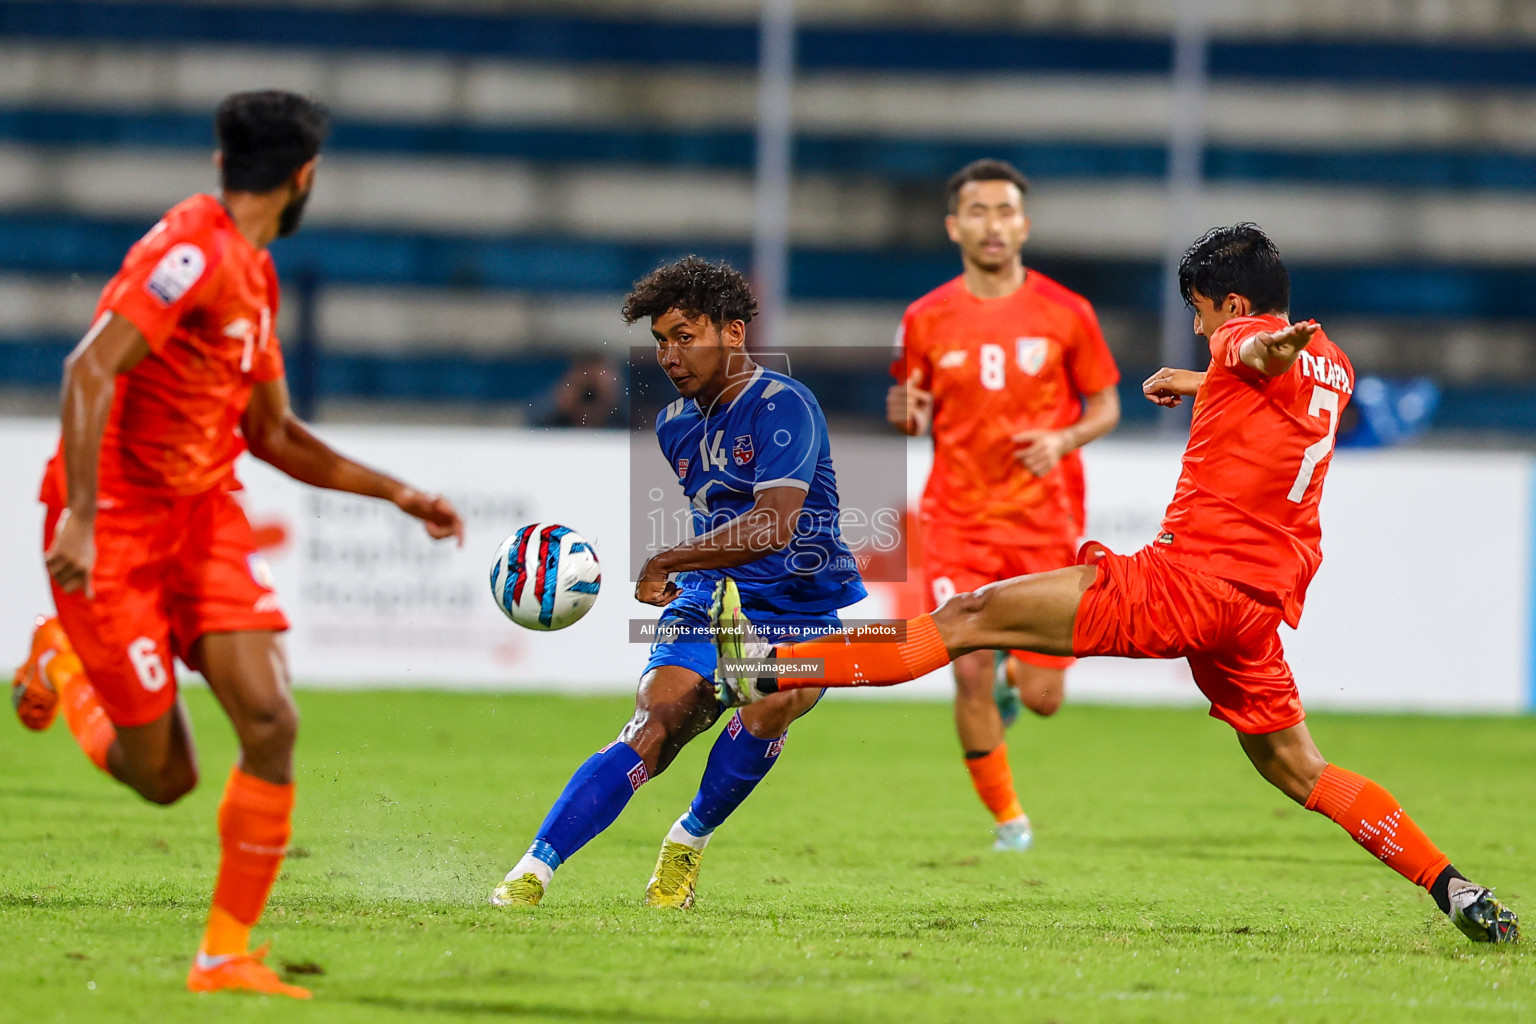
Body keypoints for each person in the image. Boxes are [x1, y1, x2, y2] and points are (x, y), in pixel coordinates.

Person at [714, 224, 1518, 944]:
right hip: (1255, 610)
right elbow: (1282, 385)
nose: (1201, 330)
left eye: (1201, 313)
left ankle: (766, 666)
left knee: (968, 616)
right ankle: (1454, 888)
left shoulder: (1249, 343)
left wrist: (1236, 356)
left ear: (1232, 304)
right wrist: (1203, 381)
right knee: (1301, 769)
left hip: (1185, 583)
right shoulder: (1333, 365)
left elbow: (1255, 352)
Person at [10, 91, 467, 998]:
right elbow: (88, 367)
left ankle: (222, 956)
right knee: (165, 778)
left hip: (203, 518)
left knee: (270, 720)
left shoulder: (255, 274)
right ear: (305, 178)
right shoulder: (189, 253)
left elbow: (274, 435)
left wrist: (398, 493)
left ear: (228, 164)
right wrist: (83, 517)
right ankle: (63, 667)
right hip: (116, 537)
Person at [491, 256, 865, 910]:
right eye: (660, 340)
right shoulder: (675, 426)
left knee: (771, 703)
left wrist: (668, 560)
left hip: (800, 610)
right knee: (652, 728)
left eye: (684, 336)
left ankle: (687, 841)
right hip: (710, 603)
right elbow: (719, 515)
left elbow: (774, 524)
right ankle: (530, 873)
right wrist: (691, 577)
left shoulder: (785, 406)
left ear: (734, 333)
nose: (669, 354)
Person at [887, 158, 1120, 852]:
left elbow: (1105, 403)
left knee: (1045, 700)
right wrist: (905, 411)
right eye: (979, 212)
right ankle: (1009, 822)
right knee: (963, 664)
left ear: (1025, 223)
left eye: (1006, 210)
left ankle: (1019, 683)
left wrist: (1064, 437)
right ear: (955, 226)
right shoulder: (926, 316)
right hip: (959, 520)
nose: (994, 224)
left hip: (1044, 520)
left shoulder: (1067, 312)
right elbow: (911, 410)